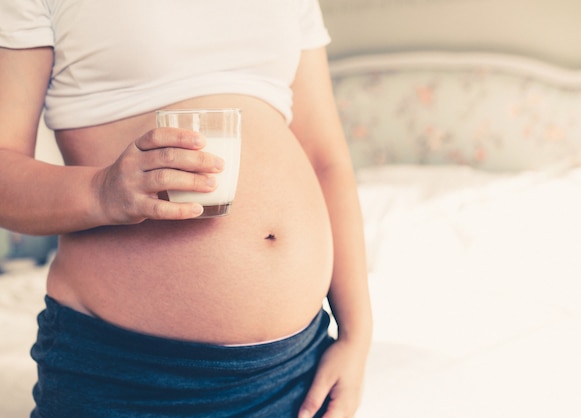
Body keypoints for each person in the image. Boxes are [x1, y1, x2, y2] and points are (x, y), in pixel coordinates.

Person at [0, 1, 372, 417]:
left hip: (296, 371)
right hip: (131, 374)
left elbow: (326, 161)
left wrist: (356, 336)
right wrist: (100, 191)